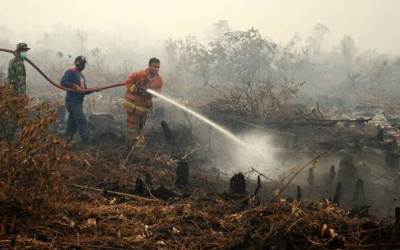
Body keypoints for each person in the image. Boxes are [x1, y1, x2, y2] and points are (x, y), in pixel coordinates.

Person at [123, 58, 163, 146]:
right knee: (132, 126)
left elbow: (157, 93)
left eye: (158, 67)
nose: (156, 69)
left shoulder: (158, 80)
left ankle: (138, 143)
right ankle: (130, 145)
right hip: (133, 105)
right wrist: (137, 90)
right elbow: (128, 82)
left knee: (141, 126)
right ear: (149, 66)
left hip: (144, 108)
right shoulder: (140, 74)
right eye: (154, 67)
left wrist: (149, 94)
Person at [60, 56, 96, 143]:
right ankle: (86, 139)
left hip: (78, 102)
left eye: (84, 64)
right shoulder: (70, 72)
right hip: (72, 101)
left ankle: (68, 138)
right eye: (82, 63)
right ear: (77, 63)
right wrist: (73, 85)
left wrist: (93, 89)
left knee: (72, 121)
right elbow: (63, 82)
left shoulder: (82, 76)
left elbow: (84, 91)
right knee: (81, 119)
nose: (84, 65)